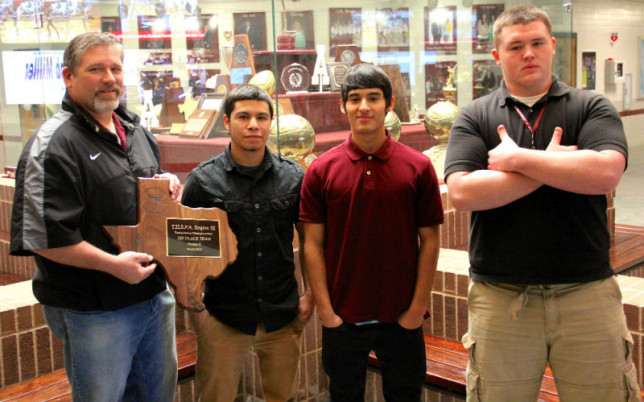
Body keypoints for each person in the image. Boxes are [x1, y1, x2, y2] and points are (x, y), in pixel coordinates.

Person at [444, 5, 640, 402]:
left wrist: (516, 161)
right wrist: (561, 164)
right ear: (498, 56)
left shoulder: (590, 106)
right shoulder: (475, 116)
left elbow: (606, 174)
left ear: (552, 47)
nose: (528, 53)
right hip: (501, 298)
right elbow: (462, 192)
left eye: (536, 43)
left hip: (586, 292)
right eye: (516, 46)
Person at [10, 32, 180, 402]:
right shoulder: (53, 144)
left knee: (157, 396)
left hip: (153, 296)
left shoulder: (134, 132)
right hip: (96, 309)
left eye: (116, 68)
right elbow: (45, 238)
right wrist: (113, 265)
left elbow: (138, 199)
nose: (109, 78)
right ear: (68, 76)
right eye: (96, 69)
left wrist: (166, 185)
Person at [300, 63, 444, 401]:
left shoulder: (418, 167)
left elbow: (431, 240)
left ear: (389, 104)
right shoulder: (321, 170)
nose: (363, 107)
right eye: (354, 99)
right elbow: (312, 245)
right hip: (343, 318)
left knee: (406, 395)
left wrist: (416, 308)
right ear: (342, 106)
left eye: (373, 98)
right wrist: (326, 312)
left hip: (402, 316)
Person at [181, 84, 314, 402]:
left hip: (282, 313)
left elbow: (310, 239)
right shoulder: (202, 182)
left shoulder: (294, 177)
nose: (253, 124)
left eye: (261, 117)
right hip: (222, 316)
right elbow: (186, 253)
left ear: (271, 122)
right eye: (243, 116)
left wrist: (310, 294)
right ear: (226, 122)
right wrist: (198, 311)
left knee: (283, 397)